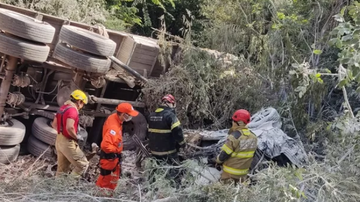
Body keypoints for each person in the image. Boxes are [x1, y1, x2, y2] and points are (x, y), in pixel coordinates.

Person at [96, 103, 139, 190]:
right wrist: (116, 150)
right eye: (130, 115)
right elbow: (105, 145)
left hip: (113, 159)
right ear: (123, 114)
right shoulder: (114, 128)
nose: (131, 117)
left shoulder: (114, 117)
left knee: (112, 181)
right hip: (110, 159)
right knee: (106, 183)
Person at [147, 94, 185, 185]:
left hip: (154, 151)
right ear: (172, 103)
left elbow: (148, 133)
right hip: (169, 151)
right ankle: (175, 188)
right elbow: (178, 132)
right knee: (174, 170)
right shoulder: (170, 116)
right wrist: (182, 144)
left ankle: (152, 187)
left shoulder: (151, 116)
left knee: (155, 170)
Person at [51, 89, 89, 178]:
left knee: (62, 169)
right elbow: (69, 127)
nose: (82, 106)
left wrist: (62, 133)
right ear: (79, 101)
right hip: (68, 142)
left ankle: (57, 188)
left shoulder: (63, 108)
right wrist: (76, 137)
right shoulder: (73, 110)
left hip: (59, 140)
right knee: (82, 164)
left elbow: (54, 124)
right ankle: (69, 184)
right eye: (83, 103)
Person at [215, 109, 258, 184]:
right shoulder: (254, 137)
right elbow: (253, 155)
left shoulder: (234, 137)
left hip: (229, 175)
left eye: (233, 121)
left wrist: (217, 161)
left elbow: (224, 155)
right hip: (243, 176)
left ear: (237, 123)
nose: (232, 122)